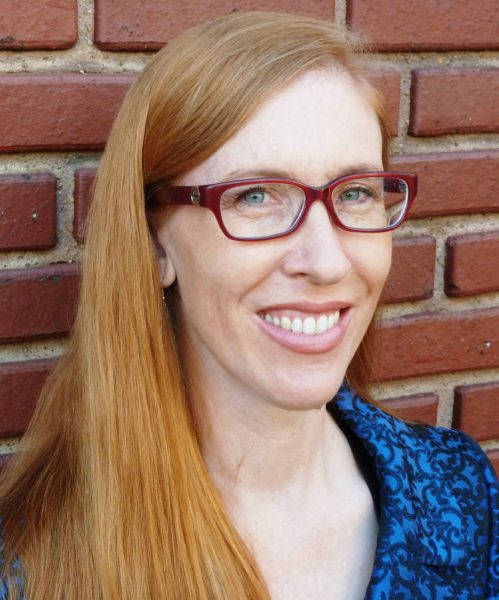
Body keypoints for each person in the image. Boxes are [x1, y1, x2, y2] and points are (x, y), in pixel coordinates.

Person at [0, 11, 497, 600]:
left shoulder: (457, 492)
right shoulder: (36, 566)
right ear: (156, 243)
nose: (328, 261)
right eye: (255, 196)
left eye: (356, 192)